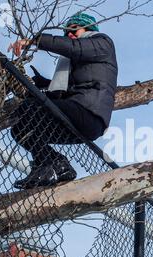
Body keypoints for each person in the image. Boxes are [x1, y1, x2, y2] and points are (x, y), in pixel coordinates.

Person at [7, 12, 117, 189]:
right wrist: (46, 84)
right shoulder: (77, 62)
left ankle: (48, 165)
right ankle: (57, 165)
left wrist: (36, 40)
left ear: (89, 29)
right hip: (75, 118)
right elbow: (69, 90)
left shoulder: (102, 43)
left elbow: (74, 48)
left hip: (89, 115)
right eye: (67, 33)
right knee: (19, 129)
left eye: (74, 30)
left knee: (29, 108)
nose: (70, 35)